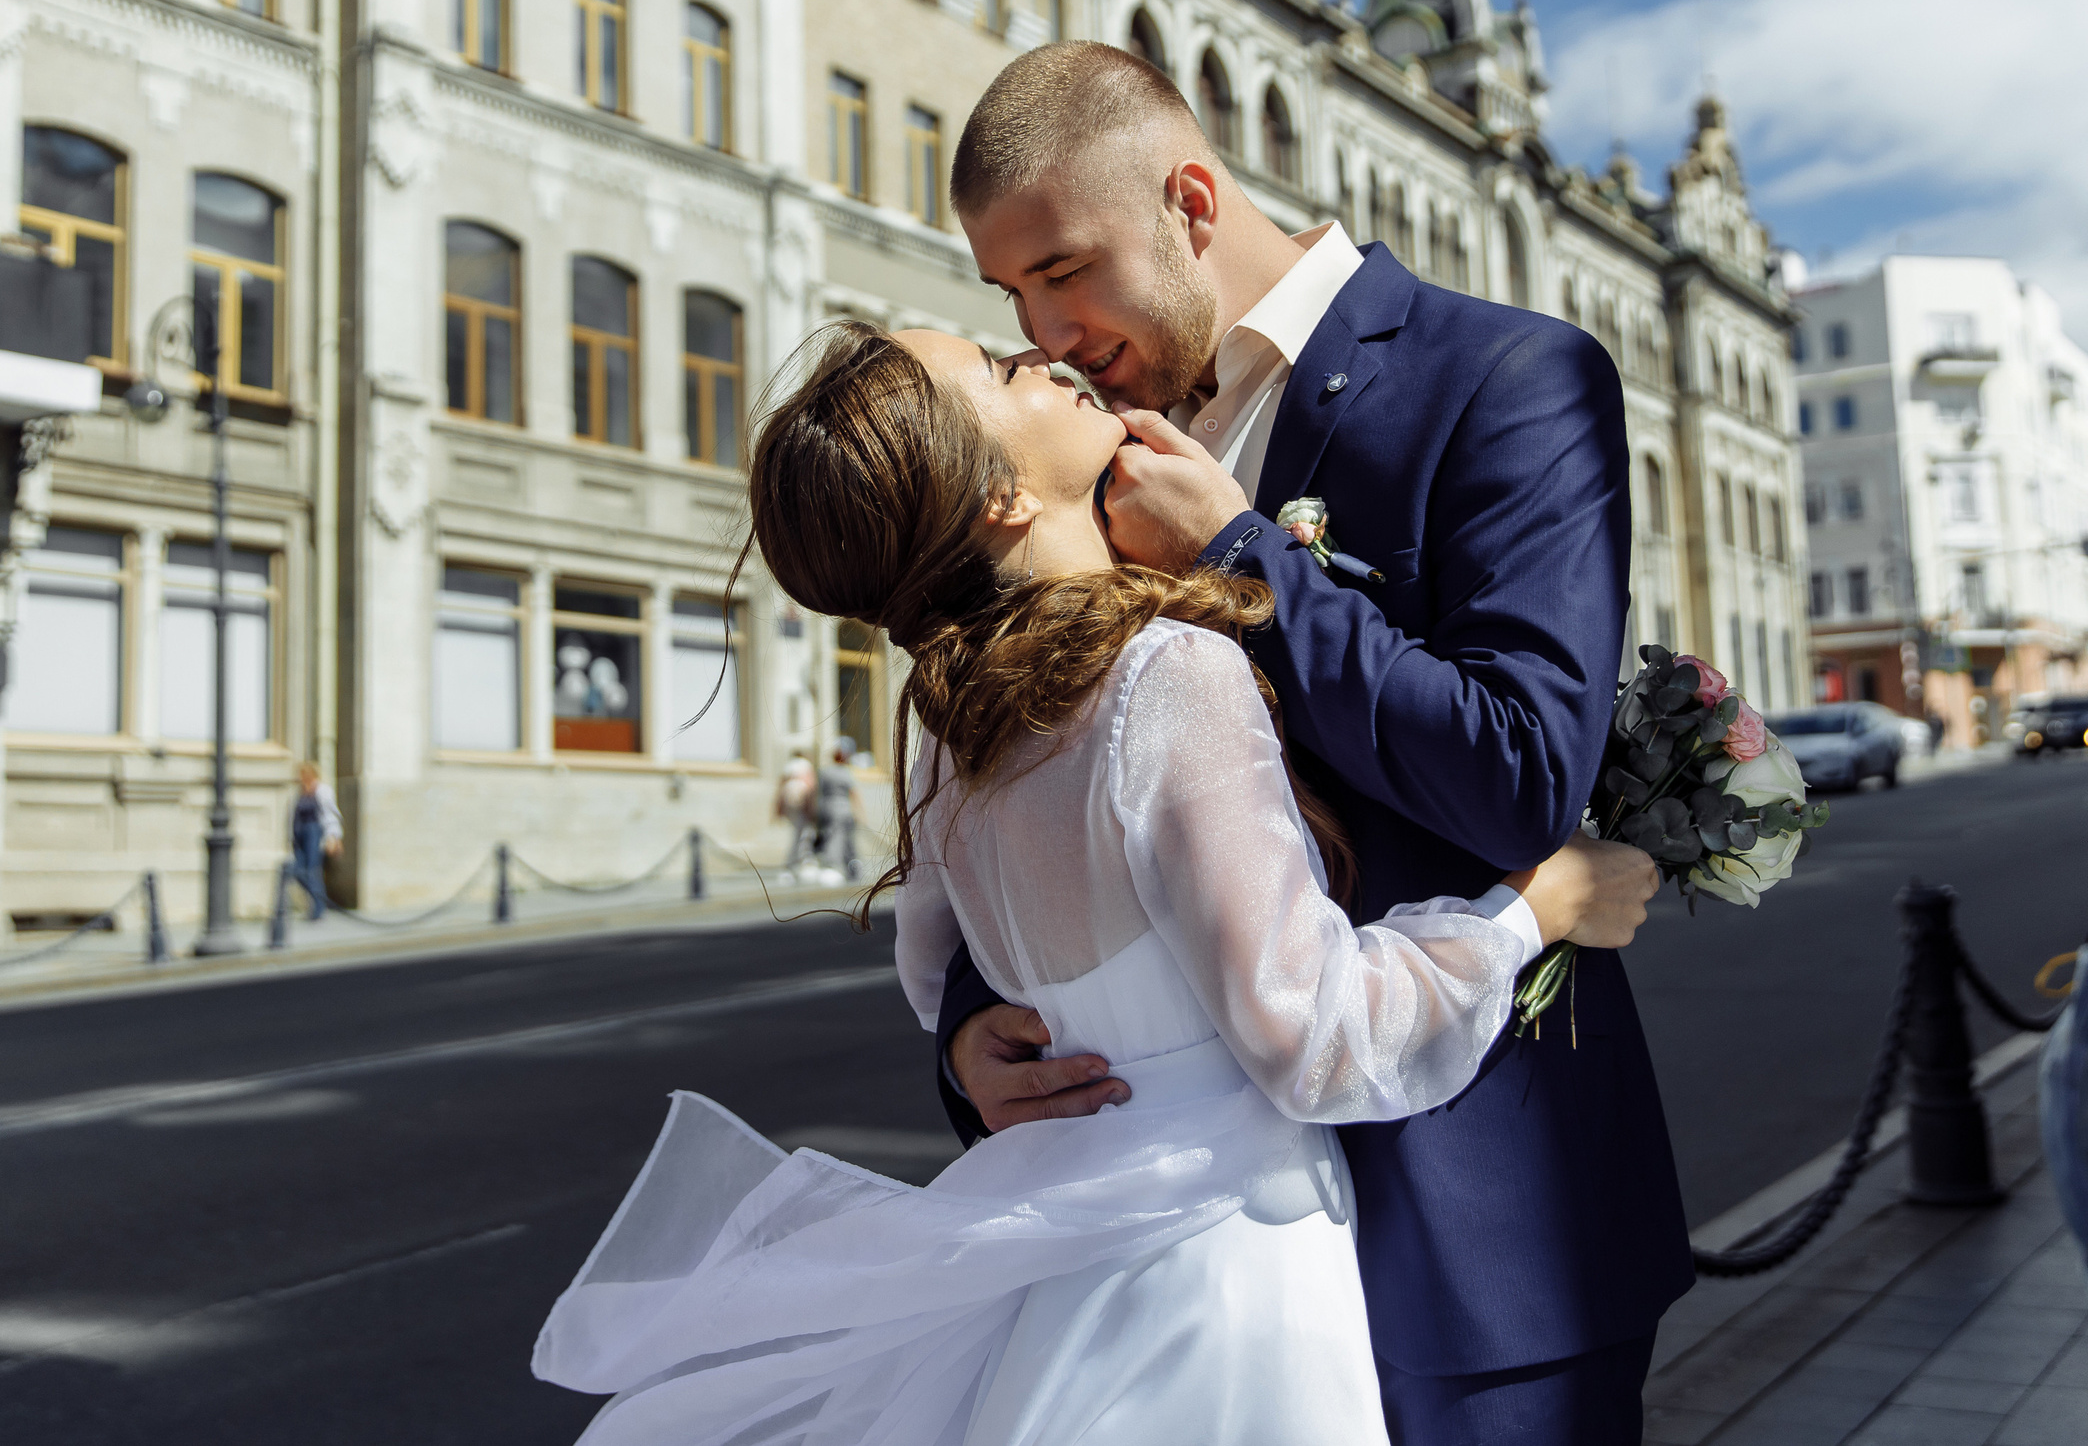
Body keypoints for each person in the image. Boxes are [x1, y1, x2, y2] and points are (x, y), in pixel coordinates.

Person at [534, 317, 1660, 1442]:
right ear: (1002, 496)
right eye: (997, 369)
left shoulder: (950, 725)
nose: (1035, 356)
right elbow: (1313, 1036)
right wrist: (1532, 912)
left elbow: (934, 970)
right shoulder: (1168, 674)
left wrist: (985, 1038)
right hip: (1225, 1262)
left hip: (1074, 1238)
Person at [935, 42, 1690, 1441]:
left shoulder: (1505, 378)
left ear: (1191, 203)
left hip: (1468, 1237)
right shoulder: (1080, 451)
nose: (1046, 331)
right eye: (1010, 295)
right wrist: (972, 1023)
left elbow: (1521, 775)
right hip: (1185, 1262)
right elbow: (1053, 767)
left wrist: (1241, 554)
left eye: (1064, 269)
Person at [287, 762, 342, 921]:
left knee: (312, 870)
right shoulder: (300, 793)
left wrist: (333, 836)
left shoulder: (322, 790)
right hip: (299, 835)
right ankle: (320, 901)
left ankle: (318, 907)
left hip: (314, 832)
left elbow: (330, 814)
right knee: (298, 871)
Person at [812, 738, 861, 885]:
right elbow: (854, 793)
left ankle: (845, 867)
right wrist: (859, 813)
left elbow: (818, 792)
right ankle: (838, 866)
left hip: (827, 807)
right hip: (843, 808)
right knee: (840, 838)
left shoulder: (825, 772)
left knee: (833, 836)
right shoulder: (846, 772)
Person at [772, 751, 817, 878]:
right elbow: (810, 784)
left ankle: (795, 860)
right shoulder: (806, 765)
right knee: (804, 831)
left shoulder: (788, 767)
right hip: (801, 795)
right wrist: (811, 808)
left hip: (788, 796)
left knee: (797, 830)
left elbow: (780, 787)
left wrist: (777, 809)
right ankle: (801, 861)